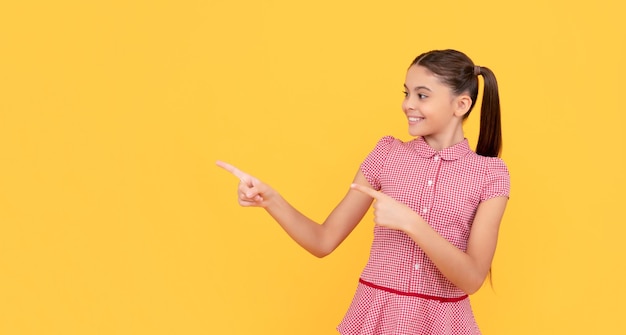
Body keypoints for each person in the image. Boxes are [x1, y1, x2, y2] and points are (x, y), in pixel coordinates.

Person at [216, 49, 510, 335]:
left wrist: (411, 223)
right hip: (376, 317)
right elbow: (323, 241)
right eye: (406, 93)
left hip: (444, 323)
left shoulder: (491, 175)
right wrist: (271, 200)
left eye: (422, 95)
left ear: (461, 105)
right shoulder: (386, 154)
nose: (408, 104)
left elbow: (472, 279)